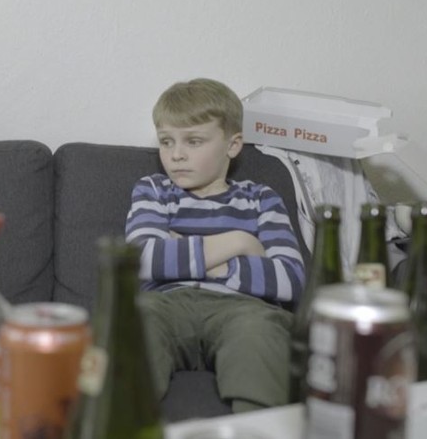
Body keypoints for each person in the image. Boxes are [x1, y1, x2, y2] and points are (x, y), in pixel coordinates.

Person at [125, 78, 305, 413]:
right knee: (136, 322)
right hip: (166, 304)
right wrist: (241, 241)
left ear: (232, 145)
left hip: (243, 309)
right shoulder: (154, 190)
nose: (176, 154)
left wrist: (187, 252)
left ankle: (257, 428)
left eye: (193, 141)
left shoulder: (261, 199)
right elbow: (141, 260)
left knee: (260, 332)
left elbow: (290, 280)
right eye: (166, 141)